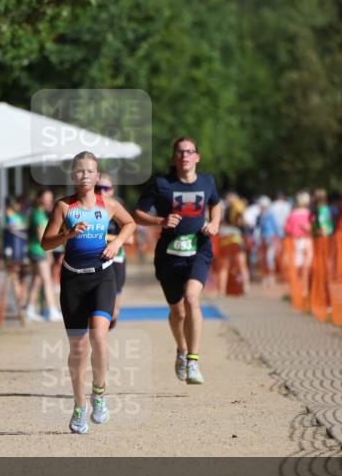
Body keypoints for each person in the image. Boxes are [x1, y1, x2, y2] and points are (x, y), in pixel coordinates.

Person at [41, 152, 136, 434]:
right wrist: (66, 236)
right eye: (79, 171)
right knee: (79, 348)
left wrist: (117, 241)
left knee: (99, 335)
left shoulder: (107, 205)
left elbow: (130, 223)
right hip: (73, 280)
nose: (84, 176)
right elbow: (46, 243)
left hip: (102, 276)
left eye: (90, 171)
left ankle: (99, 394)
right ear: (73, 176)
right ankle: (80, 405)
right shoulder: (63, 207)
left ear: (97, 177)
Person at [133, 137, 222, 385]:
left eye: (190, 151)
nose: (185, 156)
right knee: (177, 310)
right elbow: (137, 214)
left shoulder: (207, 181)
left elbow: (216, 204)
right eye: (180, 152)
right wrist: (159, 221)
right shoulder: (162, 184)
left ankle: (193, 360)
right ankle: (181, 350)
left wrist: (214, 223)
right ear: (174, 158)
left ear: (197, 157)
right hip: (169, 254)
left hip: (199, 249)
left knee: (192, 298)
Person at [96, 173, 132, 326]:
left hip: (115, 261)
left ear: (112, 190)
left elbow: (130, 239)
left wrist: (105, 238)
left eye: (106, 188)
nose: (101, 191)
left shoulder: (117, 209)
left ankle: (107, 329)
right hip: (95, 260)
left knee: (113, 310)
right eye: (98, 188)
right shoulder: (87, 209)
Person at [23, 188, 61, 323]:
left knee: (37, 280)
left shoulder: (38, 213)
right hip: (39, 251)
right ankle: (52, 310)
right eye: (46, 198)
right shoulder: (38, 215)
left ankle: (29, 309)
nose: (49, 201)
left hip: (34, 250)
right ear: (39, 199)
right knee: (47, 281)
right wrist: (49, 255)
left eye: (50, 198)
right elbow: (42, 239)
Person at [213, 192, 248, 296]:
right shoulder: (237, 207)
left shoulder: (227, 208)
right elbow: (242, 222)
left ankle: (222, 290)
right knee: (241, 265)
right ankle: (245, 287)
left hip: (226, 238)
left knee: (224, 265)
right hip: (236, 238)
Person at [1, 196, 29, 325]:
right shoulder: (17, 217)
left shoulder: (14, 217)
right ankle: (21, 306)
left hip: (16, 253)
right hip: (19, 253)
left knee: (17, 278)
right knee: (17, 278)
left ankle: (21, 306)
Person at [285, 191, 313, 297]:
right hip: (307, 240)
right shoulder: (310, 214)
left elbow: (287, 229)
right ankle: (304, 288)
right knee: (307, 266)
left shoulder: (292, 214)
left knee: (298, 266)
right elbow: (313, 228)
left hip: (296, 241)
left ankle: (297, 288)